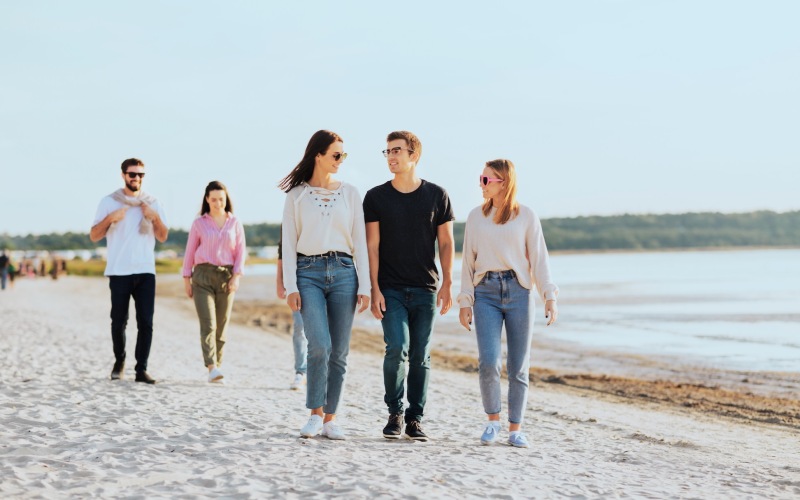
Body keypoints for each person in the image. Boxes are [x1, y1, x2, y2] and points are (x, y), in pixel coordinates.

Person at [457, 159, 559, 448]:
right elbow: (467, 262)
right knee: (488, 362)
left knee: (518, 366)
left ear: (504, 181)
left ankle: (516, 429)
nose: (481, 184)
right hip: (485, 293)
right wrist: (465, 302)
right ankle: (492, 421)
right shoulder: (475, 217)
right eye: (481, 178)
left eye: (486, 179)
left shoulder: (526, 216)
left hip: (519, 292)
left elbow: (539, 259)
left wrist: (549, 296)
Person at [363, 130, 455, 441]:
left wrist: (448, 283)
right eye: (387, 151)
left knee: (421, 355)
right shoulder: (375, 197)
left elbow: (445, 242)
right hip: (389, 288)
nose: (391, 156)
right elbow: (371, 246)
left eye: (397, 151)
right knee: (396, 348)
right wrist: (374, 289)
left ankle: (416, 419)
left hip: (426, 287)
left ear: (414, 155)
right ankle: (395, 413)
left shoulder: (437, 195)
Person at [280, 130, 370, 440]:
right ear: (318, 155)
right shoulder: (296, 196)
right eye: (336, 155)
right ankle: (315, 414)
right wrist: (290, 285)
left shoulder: (351, 193)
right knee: (319, 344)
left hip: (346, 272)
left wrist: (366, 286)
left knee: (339, 351)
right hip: (308, 273)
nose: (341, 160)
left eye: (343, 155)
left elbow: (360, 242)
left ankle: (331, 419)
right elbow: (288, 244)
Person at [90, 158, 168, 384]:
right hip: (119, 270)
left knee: (146, 322)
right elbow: (94, 235)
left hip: (145, 270)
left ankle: (141, 369)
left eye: (141, 175)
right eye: (132, 174)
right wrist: (110, 218)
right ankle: (119, 361)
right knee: (118, 321)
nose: (137, 178)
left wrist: (153, 217)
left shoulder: (153, 203)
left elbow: (163, 236)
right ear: (123, 175)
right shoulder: (108, 202)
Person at [182, 181, 246, 385]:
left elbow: (240, 252)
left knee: (222, 324)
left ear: (226, 200)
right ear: (207, 200)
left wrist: (236, 276)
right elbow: (190, 251)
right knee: (208, 323)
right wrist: (186, 278)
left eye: (221, 199)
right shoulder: (199, 223)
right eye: (213, 199)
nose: (218, 203)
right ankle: (211, 367)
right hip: (202, 276)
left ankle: (217, 363)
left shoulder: (234, 222)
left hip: (226, 277)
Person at [276, 228, 307, 391]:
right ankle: (301, 372)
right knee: (299, 327)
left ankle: (322, 371)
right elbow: (283, 250)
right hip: (297, 279)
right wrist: (279, 281)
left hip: (327, 275)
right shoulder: (291, 209)